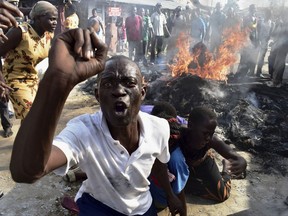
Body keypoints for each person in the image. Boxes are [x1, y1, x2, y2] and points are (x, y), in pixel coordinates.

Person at [9, 25, 185, 216]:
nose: (118, 91)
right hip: (98, 206)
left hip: (142, 207)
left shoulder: (159, 127)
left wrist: (170, 195)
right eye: (108, 84)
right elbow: (25, 171)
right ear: (97, 95)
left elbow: (159, 163)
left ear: (142, 92)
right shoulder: (83, 130)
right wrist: (57, 81)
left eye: (129, 83)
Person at [0, 1, 57, 121]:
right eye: (51, 19)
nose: (55, 23)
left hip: (33, 79)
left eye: (55, 19)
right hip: (14, 80)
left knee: (36, 118)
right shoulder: (20, 32)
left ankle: (26, 140)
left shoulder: (48, 35)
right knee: (33, 118)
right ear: (39, 18)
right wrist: (1, 82)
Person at [180, 107, 247, 202]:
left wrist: (242, 161)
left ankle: (226, 170)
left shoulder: (211, 140)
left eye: (211, 134)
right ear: (190, 126)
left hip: (202, 162)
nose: (208, 138)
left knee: (222, 194)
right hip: (184, 165)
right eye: (205, 133)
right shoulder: (178, 135)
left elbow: (234, 155)